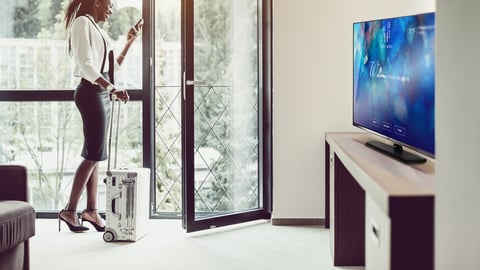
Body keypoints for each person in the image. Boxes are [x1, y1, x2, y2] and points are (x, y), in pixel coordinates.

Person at [59, 0, 143, 232]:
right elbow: (86, 66)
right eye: (110, 4)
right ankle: (69, 210)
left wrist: (129, 42)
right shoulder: (81, 24)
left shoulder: (98, 30)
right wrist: (112, 88)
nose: (112, 9)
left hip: (100, 93)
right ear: (97, 2)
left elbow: (111, 67)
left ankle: (92, 211)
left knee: (96, 153)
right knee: (93, 153)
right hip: (90, 93)